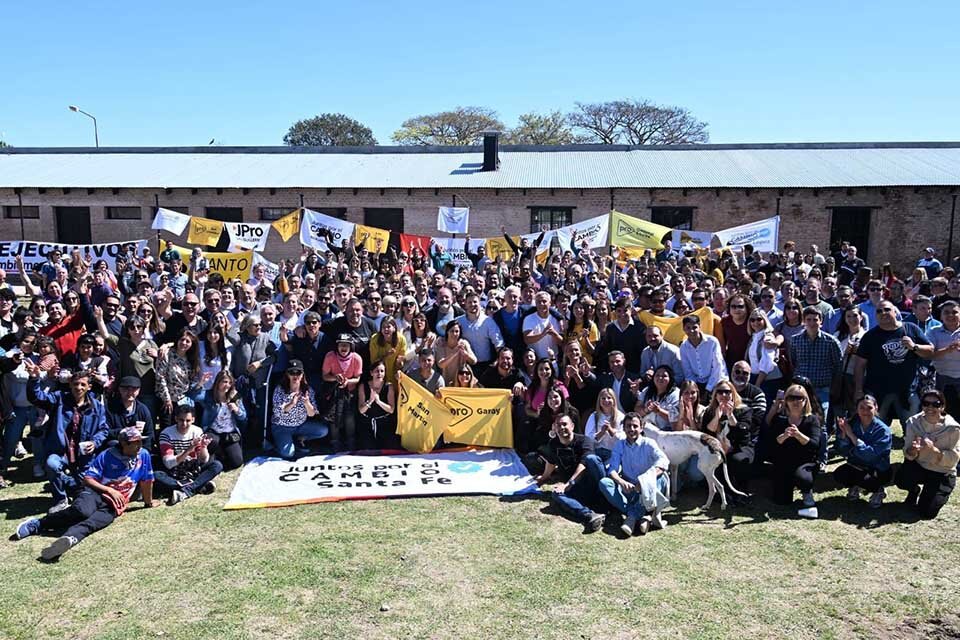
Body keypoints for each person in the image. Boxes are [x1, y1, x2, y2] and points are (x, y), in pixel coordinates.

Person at [11, 426, 159, 561]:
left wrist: (148, 503)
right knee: (81, 511)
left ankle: (67, 540)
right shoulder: (107, 455)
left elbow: (147, 480)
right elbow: (88, 479)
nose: (140, 445)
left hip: (114, 505)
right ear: (124, 444)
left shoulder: (143, 455)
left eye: (140, 441)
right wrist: (109, 490)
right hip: (95, 492)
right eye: (136, 442)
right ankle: (38, 524)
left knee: (93, 524)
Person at [27, 368, 108, 513]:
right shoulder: (59, 399)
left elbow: (104, 430)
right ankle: (60, 500)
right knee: (51, 464)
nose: (79, 388)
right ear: (70, 385)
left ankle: (72, 485)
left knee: (86, 488)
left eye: (83, 384)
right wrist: (34, 379)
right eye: (76, 384)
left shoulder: (97, 407)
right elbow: (37, 397)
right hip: (60, 451)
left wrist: (95, 442)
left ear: (89, 386)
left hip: (83, 454)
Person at [853, 301, 933, 429]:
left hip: (907, 390)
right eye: (879, 311)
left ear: (895, 312)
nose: (883, 313)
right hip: (877, 390)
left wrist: (914, 346)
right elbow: (860, 365)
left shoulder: (911, 328)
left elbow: (930, 351)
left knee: (912, 428)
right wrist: (858, 389)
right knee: (875, 428)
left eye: (886, 309)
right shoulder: (870, 336)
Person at [598, 412, 670, 536]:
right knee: (604, 483)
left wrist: (643, 482)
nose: (632, 429)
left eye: (635, 426)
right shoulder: (619, 445)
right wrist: (622, 482)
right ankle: (645, 516)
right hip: (629, 488)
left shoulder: (649, 443)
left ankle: (631, 517)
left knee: (662, 478)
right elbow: (612, 470)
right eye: (628, 426)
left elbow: (664, 461)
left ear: (641, 428)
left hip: (648, 487)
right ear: (624, 428)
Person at [897, 389, 960, 519]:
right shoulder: (913, 422)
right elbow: (907, 452)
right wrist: (913, 451)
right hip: (921, 466)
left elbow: (953, 460)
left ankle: (935, 493)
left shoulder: (953, 428)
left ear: (942, 407)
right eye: (926, 403)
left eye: (935, 404)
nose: (930, 407)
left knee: (927, 513)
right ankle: (914, 490)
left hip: (942, 471)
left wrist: (934, 450)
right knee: (901, 479)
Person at [539, 415, 608, 533]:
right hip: (576, 489)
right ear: (555, 428)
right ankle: (590, 515)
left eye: (565, 424)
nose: (562, 427)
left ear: (572, 426)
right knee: (556, 494)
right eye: (558, 425)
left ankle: (605, 500)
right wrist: (543, 478)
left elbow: (584, 464)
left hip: (593, 484)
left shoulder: (585, 440)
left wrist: (569, 483)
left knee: (592, 459)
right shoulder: (553, 444)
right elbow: (551, 462)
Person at [766, 384, 821, 518]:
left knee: (804, 478)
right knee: (781, 502)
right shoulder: (780, 419)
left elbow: (814, 445)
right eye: (791, 398)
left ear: (805, 401)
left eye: (800, 398)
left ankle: (807, 494)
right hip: (784, 462)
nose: (796, 401)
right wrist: (784, 436)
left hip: (805, 462)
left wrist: (798, 435)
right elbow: (772, 444)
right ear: (786, 401)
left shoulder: (812, 420)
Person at [700, 380, 756, 501]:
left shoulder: (744, 410)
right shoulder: (709, 412)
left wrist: (730, 416)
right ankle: (722, 493)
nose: (724, 395)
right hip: (717, 449)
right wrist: (717, 416)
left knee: (737, 460)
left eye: (727, 392)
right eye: (720, 392)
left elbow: (743, 434)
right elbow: (707, 434)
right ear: (715, 395)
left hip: (740, 447)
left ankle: (740, 490)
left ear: (733, 393)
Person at [156, 405, 223, 505]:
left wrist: (204, 447)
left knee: (217, 465)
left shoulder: (197, 431)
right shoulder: (166, 434)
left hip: (193, 470)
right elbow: (168, 463)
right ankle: (198, 486)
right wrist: (188, 450)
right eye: (181, 420)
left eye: (188, 421)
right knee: (156, 475)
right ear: (175, 419)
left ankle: (186, 490)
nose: (184, 424)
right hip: (175, 472)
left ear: (193, 420)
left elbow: (203, 460)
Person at [834, 395, 893, 507]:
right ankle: (857, 486)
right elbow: (842, 451)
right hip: (857, 465)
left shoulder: (883, 431)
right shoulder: (852, 424)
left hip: (877, 469)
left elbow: (870, 455)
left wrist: (851, 436)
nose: (865, 411)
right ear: (857, 409)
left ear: (876, 408)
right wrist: (843, 435)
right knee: (839, 474)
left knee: (864, 478)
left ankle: (879, 491)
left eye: (869, 408)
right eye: (862, 408)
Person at [271, 360, 328, 459]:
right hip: (282, 427)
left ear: (302, 375)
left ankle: (300, 439)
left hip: (300, 426)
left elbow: (312, 414)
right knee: (288, 454)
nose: (295, 376)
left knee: (323, 430)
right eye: (292, 372)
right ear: (287, 374)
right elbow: (278, 413)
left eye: (298, 372)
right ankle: (280, 443)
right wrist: (292, 403)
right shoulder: (279, 389)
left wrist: (307, 403)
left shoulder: (308, 390)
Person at [199, 370, 247, 471]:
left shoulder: (234, 395)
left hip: (229, 432)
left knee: (237, 462)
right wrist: (201, 383)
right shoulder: (209, 395)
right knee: (213, 442)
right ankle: (211, 458)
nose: (227, 385)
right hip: (213, 431)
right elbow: (192, 395)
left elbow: (243, 416)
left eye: (230, 382)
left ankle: (220, 457)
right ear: (218, 382)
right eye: (224, 382)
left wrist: (237, 410)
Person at [925, 300, 960, 417]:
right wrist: (947, 350)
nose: (950, 315)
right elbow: (929, 354)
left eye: (954, 312)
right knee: (942, 412)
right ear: (941, 316)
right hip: (941, 377)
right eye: (946, 312)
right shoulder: (933, 332)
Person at [679, 315, 727, 397]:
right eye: (688, 328)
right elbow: (688, 371)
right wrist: (694, 388)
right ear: (683, 329)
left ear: (700, 327)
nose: (691, 331)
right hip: (697, 384)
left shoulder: (712, 342)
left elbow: (717, 367)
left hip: (717, 381)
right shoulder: (683, 347)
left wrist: (708, 388)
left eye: (694, 327)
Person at [105, 376, 154, 453]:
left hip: (138, 446)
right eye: (126, 389)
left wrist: (145, 451)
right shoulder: (110, 408)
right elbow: (105, 432)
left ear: (138, 390)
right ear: (120, 389)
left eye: (134, 389)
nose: (130, 393)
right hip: (116, 445)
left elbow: (149, 433)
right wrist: (125, 432)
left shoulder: (142, 409)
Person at [357, 359, 397, 450]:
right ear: (371, 373)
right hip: (367, 423)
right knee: (367, 448)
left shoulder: (389, 386)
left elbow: (391, 409)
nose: (379, 373)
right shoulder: (363, 386)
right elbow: (361, 410)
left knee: (390, 447)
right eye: (377, 371)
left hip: (384, 423)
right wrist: (370, 401)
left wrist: (379, 402)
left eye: (382, 371)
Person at [636, 365, 680, 431]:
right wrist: (646, 410)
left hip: (667, 431)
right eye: (657, 375)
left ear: (670, 378)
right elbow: (637, 409)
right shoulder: (647, 390)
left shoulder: (676, 394)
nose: (660, 378)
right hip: (646, 429)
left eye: (664, 376)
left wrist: (659, 411)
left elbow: (676, 419)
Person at [522, 291, 563, 360]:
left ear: (550, 303)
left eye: (544, 301)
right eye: (538, 302)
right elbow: (527, 339)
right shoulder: (529, 318)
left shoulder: (556, 319)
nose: (541, 304)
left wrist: (554, 333)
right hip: (535, 361)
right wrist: (543, 334)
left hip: (553, 359)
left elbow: (561, 343)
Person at [583, 387, 625, 454]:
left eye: (609, 398)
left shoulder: (621, 416)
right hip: (597, 451)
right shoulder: (594, 416)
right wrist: (601, 433)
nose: (606, 400)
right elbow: (588, 438)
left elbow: (624, 437)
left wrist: (611, 431)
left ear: (614, 400)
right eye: (603, 398)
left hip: (614, 452)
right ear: (599, 401)